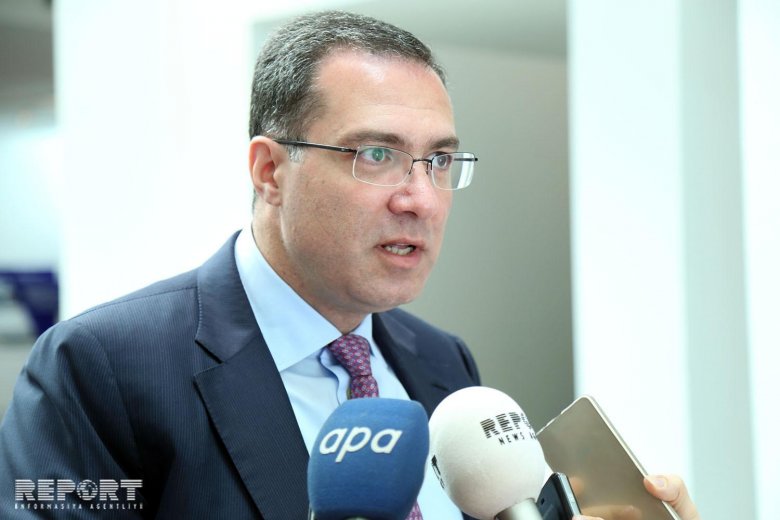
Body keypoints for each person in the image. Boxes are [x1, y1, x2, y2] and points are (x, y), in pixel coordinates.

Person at [0, 10, 699, 520]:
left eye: (439, 160)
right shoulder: (101, 367)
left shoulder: (443, 364)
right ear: (270, 171)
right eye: (377, 154)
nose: (420, 198)